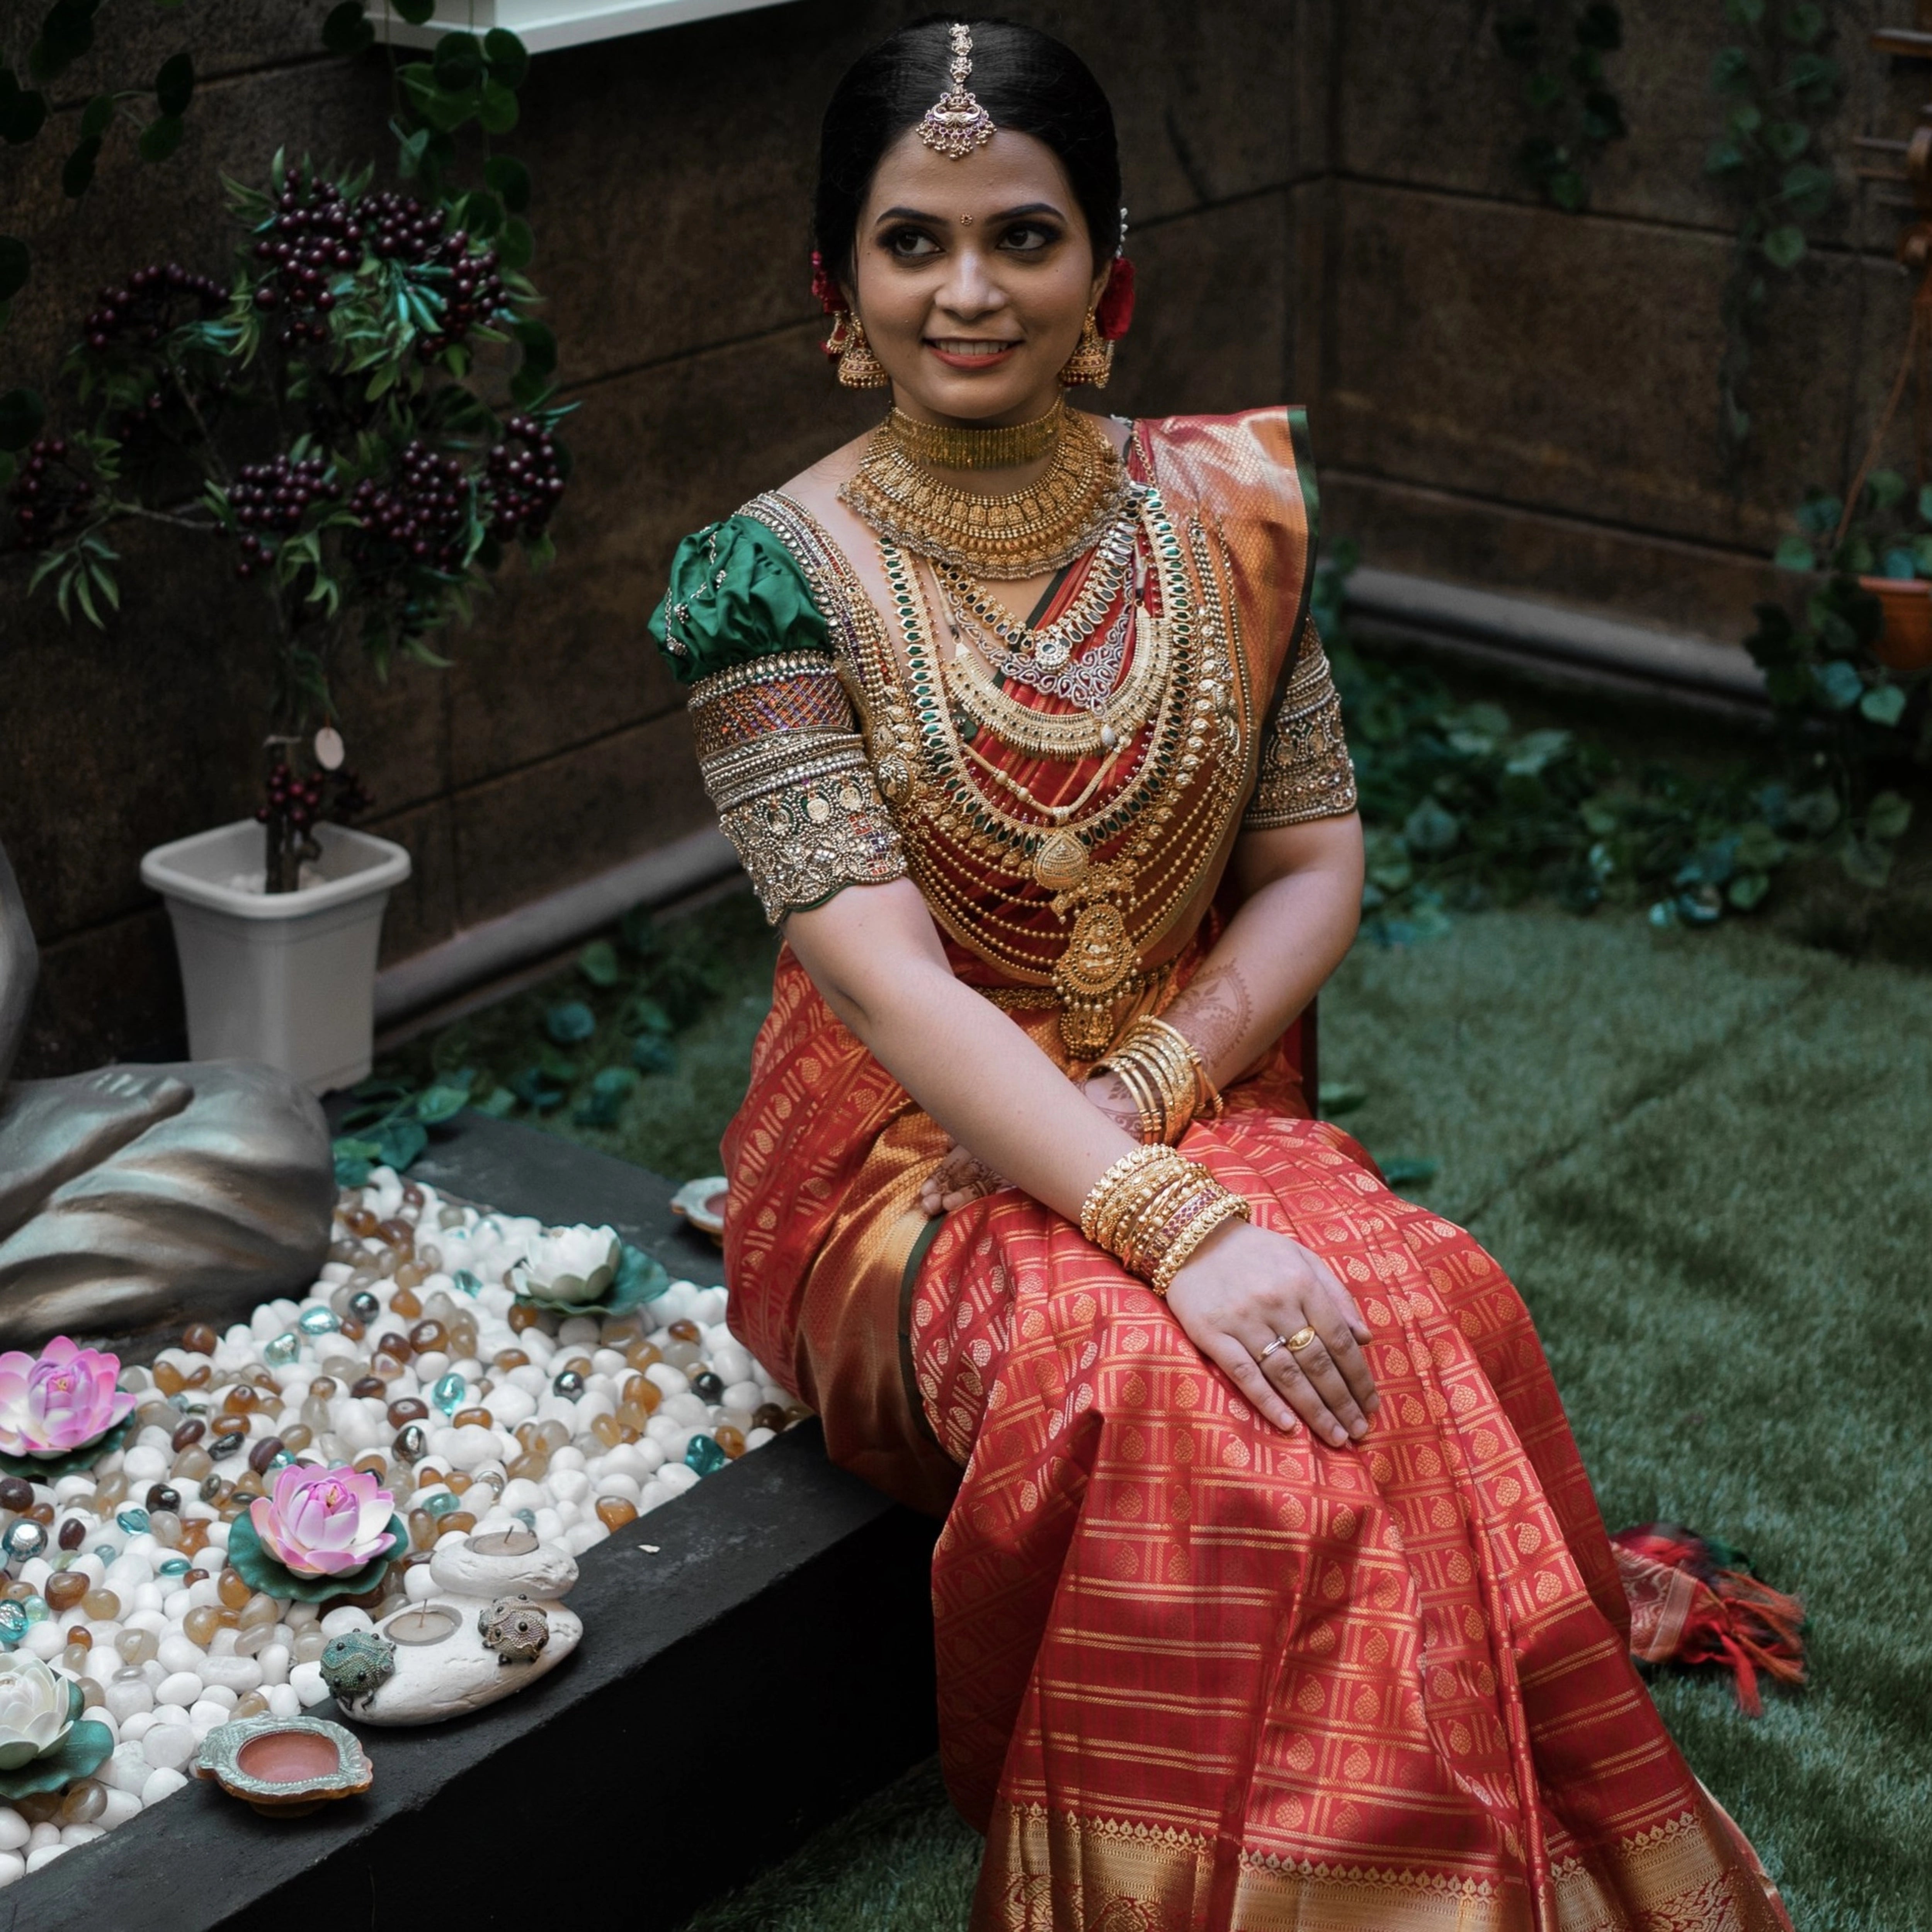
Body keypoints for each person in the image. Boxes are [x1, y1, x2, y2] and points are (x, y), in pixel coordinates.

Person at [650, 20, 1790, 1929]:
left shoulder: (1223, 515)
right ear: (830, 288)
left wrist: (1162, 1091)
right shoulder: (766, 580)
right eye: (908, 242)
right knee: (1169, 1389)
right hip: (898, 1162)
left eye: (1019, 236)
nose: (965, 290)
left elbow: (1312, 865)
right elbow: (880, 986)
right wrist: (1163, 1213)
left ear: (1111, 277)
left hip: (1173, 1081)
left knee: (1419, 1298)